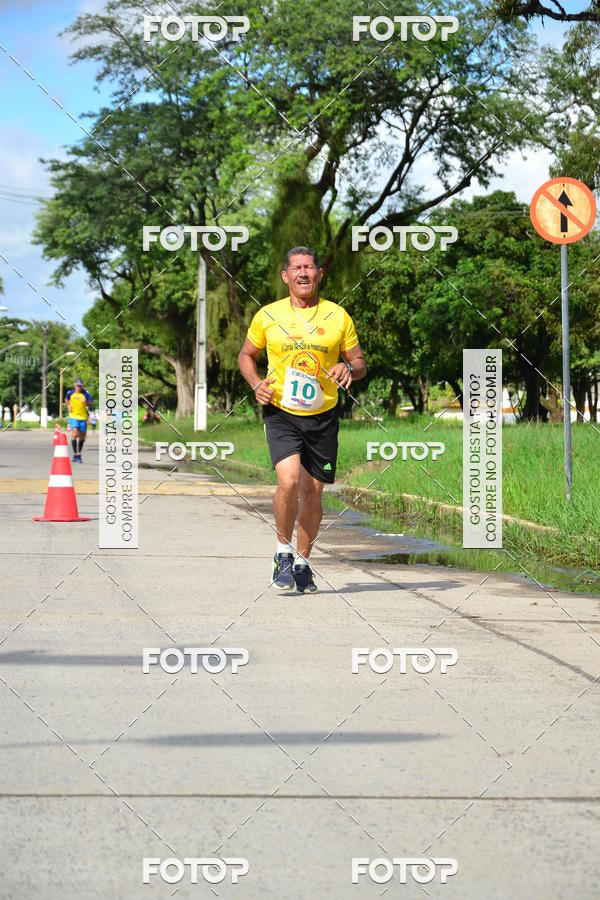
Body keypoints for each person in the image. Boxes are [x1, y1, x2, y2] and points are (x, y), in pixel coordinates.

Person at [238, 246, 366, 593]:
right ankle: (282, 551)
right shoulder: (268, 315)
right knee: (290, 480)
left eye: (310, 267)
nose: (303, 273)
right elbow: (247, 355)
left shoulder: (338, 316)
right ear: (286, 276)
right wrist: (256, 384)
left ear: (320, 274)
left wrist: (348, 367)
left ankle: (303, 563)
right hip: (281, 411)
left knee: (313, 492)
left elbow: (359, 361)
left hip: (322, 415)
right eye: (296, 268)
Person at [65, 378, 93, 463]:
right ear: (74, 385)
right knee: (74, 433)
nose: (78, 387)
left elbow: (91, 405)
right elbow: (66, 399)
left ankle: (78, 454)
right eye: (77, 386)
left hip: (83, 417)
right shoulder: (70, 393)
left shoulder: (86, 393)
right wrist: (68, 406)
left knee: (81, 437)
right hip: (73, 416)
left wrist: (87, 403)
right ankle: (75, 454)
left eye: (80, 386)